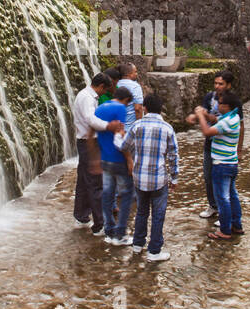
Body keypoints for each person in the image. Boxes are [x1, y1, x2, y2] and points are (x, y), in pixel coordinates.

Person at [124, 91, 178, 263]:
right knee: (158, 214)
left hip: (139, 177)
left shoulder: (136, 126)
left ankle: (138, 244)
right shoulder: (167, 128)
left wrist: (133, 158)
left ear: (145, 108)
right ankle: (154, 251)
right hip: (158, 178)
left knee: (141, 211)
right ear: (161, 110)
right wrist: (174, 178)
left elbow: (125, 145)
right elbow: (173, 156)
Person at [73, 73, 125, 235]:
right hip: (89, 144)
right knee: (96, 184)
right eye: (106, 90)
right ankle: (100, 225)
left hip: (84, 142)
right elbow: (91, 120)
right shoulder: (88, 98)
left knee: (83, 181)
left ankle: (81, 216)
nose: (105, 93)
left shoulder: (85, 95)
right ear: (101, 86)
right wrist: (109, 126)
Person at [196, 90, 243, 240]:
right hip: (231, 163)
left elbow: (207, 131)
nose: (217, 105)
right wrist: (205, 115)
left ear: (227, 106)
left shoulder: (227, 122)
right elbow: (215, 119)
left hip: (221, 164)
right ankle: (236, 225)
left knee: (222, 198)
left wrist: (199, 116)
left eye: (220, 103)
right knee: (232, 196)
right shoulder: (233, 116)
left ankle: (224, 230)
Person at [187, 70, 233, 219]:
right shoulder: (209, 97)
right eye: (216, 83)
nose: (217, 86)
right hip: (210, 145)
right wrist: (196, 116)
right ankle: (213, 206)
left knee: (224, 180)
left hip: (224, 146)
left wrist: (239, 148)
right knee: (208, 176)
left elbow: (215, 120)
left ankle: (225, 211)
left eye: (221, 84)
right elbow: (205, 112)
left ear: (228, 85)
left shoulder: (231, 102)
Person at [95, 86, 136, 245]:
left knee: (107, 195)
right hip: (117, 158)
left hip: (104, 158)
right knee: (127, 195)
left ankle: (109, 231)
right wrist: (129, 159)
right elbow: (120, 135)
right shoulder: (120, 108)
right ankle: (120, 235)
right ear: (125, 100)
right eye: (127, 104)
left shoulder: (100, 107)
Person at [115, 62, 144, 135]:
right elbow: (138, 108)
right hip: (129, 129)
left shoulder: (116, 84)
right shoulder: (135, 86)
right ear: (129, 74)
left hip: (116, 128)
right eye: (135, 72)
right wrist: (139, 127)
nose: (136, 74)